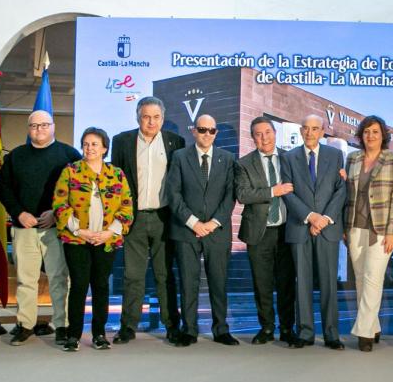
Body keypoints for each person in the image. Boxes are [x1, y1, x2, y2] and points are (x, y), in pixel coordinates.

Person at [0, 110, 81, 346]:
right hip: (24, 227)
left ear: (53, 126)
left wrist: (56, 214)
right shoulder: (16, 156)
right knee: (26, 279)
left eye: (44, 125)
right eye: (34, 126)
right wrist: (19, 213)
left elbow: (78, 191)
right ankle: (26, 324)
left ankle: (62, 325)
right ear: (28, 129)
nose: (39, 130)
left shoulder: (69, 154)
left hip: (56, 228)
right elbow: (4, 189)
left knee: (59, 278)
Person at [110, 96, 185, 345]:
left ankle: (172, 325)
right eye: (146, 117)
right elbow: (117, 183)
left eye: (155, 117)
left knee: (165, 275)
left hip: (165, 217)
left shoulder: (176, 143)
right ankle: (128, 327)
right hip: (135, 218)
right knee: (133, 275)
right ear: (137, 117)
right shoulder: (122, 141)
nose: (151, 122)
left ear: (162, 118)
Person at [53, 127, 133, 351]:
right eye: (86, 144)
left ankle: (99, 334)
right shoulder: (70, 172)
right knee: (78, 286)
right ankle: (73, 335)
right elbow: (60, 205)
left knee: (100, 286)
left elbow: (127, 207)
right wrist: (80, 231)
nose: (89, 148)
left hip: (106, 240)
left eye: (94, 144)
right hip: (78, 240)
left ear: (104, 148)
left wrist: (111, 232)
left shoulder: (116, 174)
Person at [165, 114, 238, 347]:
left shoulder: (227, 158)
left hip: (217, 231)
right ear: (194, 131)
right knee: (188, 281)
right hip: (186, 230)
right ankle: (189, 330)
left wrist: (213, 222)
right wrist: (194, 222)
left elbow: (230, 196)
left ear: (216, 133)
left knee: (218, 281)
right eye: (202, 129)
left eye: (211, 130)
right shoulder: (179, 157)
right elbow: (173, 194)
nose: (207, 134)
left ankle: (221, 330)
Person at [281, 114, 348, 350]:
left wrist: (324, 219)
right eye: (306, 128)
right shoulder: (288, 158)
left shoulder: (335, 155)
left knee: (329, 283)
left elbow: (341, 191)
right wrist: (311, 217)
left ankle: (331, 334)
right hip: (300, 228)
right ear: (300, 131)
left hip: (327, 229)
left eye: (315, 129)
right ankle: (306, 333)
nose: (310, 133)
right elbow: (287, 193)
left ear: (322, 132)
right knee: (303, 284)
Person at [344, 116, 393, 352]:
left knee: (373, 279)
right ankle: (374, 326)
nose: (371, 136)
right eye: (367, 132)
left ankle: (364, 333)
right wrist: (344, 227)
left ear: (383, 136)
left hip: (381, 229)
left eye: (375, 132)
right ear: (361, 135)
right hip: (355, 226)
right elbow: (347, 194)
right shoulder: (352, 158)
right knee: (361, 280)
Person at [235, 116, 297, 345]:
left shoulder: (290, 158)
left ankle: (288, 329)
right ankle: (267, 328)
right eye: (258, 134)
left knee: (286, 284)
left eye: (267, 133)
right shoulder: (243, 163)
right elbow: (243, 194)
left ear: (275, 133)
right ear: (253, 139)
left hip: (287, 231)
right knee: (262, 284)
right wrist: (274, 190)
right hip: (259, 232)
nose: (264, 138)